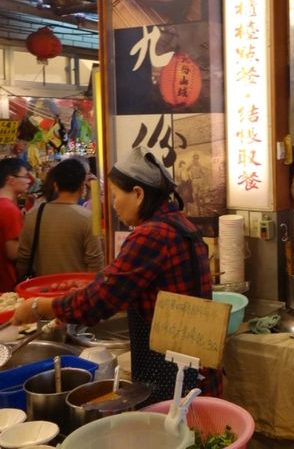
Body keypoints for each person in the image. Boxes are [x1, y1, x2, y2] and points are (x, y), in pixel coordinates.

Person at [12, 146, 217, 404]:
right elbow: (119, 284)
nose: (114, 204)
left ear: (138, 194)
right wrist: (71, 304)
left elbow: (103, 299)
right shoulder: (181, 223)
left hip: (173, 377)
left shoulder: (150, 234)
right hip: (197, 371)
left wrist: (40, 307)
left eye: (117, 195)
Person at [16, 159, 104, 278]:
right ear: (82, 187)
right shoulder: (87, 218)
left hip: (40, 289)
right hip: (76, 291)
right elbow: (95, 263)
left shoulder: (33, 215)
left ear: (56, 185)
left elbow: (23, 258)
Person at [0, 158, 32, 291]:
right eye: (25, 176)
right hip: (7, 283)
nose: (29, 180)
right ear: (10, 179)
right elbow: (13, 253)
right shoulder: (9, 209)